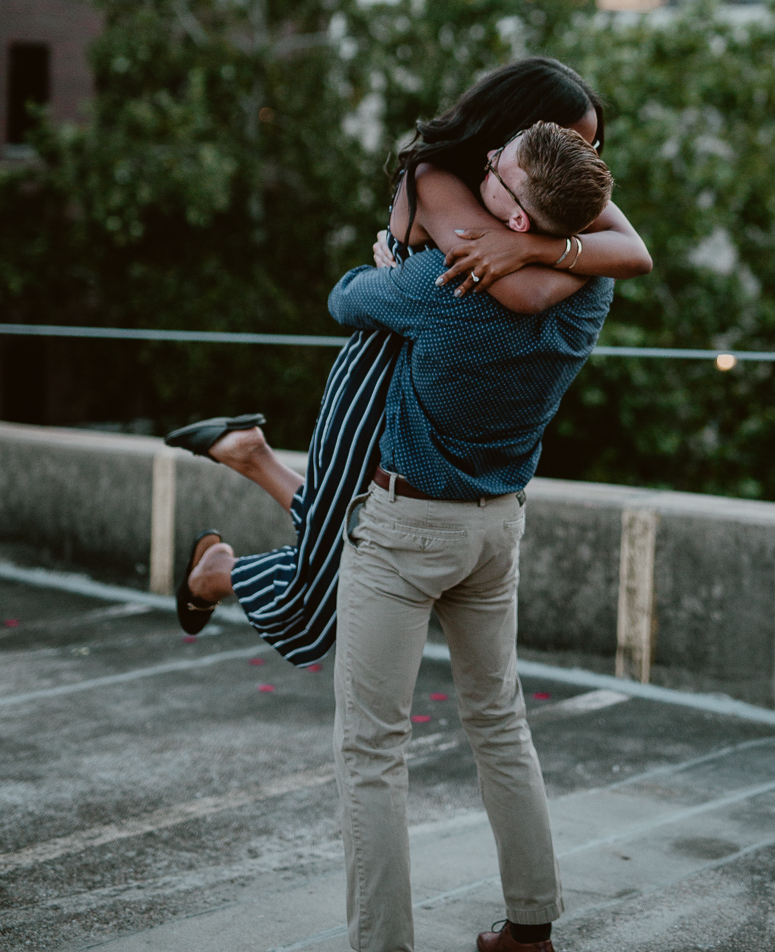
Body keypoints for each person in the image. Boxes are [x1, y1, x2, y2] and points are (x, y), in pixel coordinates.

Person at [169, 58, 651, 662]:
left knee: (343, 532)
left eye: (590, 146)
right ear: (514, 134)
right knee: (325, 574)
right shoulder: (437, 175)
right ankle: (215, 571)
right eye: (568, 140)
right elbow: (519, 295)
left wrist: (529, 242)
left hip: (434, 355)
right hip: (384, 364)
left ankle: (249, 459)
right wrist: (560, 253)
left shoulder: (542, 190)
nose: (579, 162)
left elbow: (635, 252)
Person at [326, 121, 618, 952]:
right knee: (499, 723)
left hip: (406, 529)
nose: (483, 169)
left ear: (520, 220)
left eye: (499, 170)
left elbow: (344, 298)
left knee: (373, 749)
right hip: (496, 530)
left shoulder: (441, 282)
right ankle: (532, 930)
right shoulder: (590, 289)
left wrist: (388, 259)